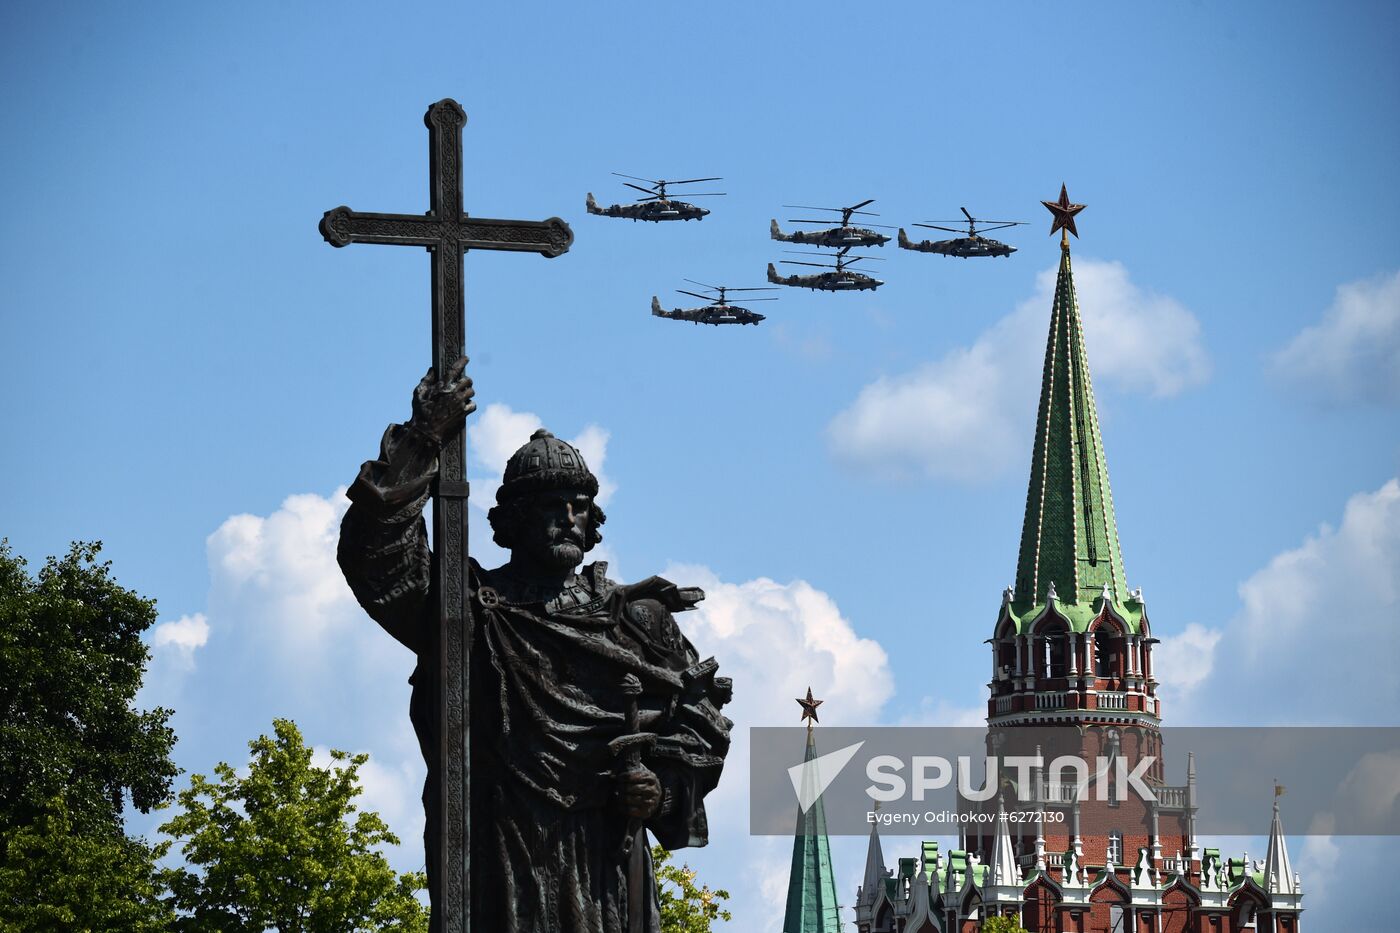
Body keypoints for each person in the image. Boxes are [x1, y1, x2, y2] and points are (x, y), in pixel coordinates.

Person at [337, 358, 732, 933]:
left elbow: (698, 728)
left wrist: (662, 790)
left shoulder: (637, 623)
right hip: (500, 849)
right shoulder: (466, 608)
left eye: (579, 507)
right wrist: (422, 441)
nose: (569, 519)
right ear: (513, 521)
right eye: (552, 507)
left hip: (606, 864)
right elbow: (378, 562)